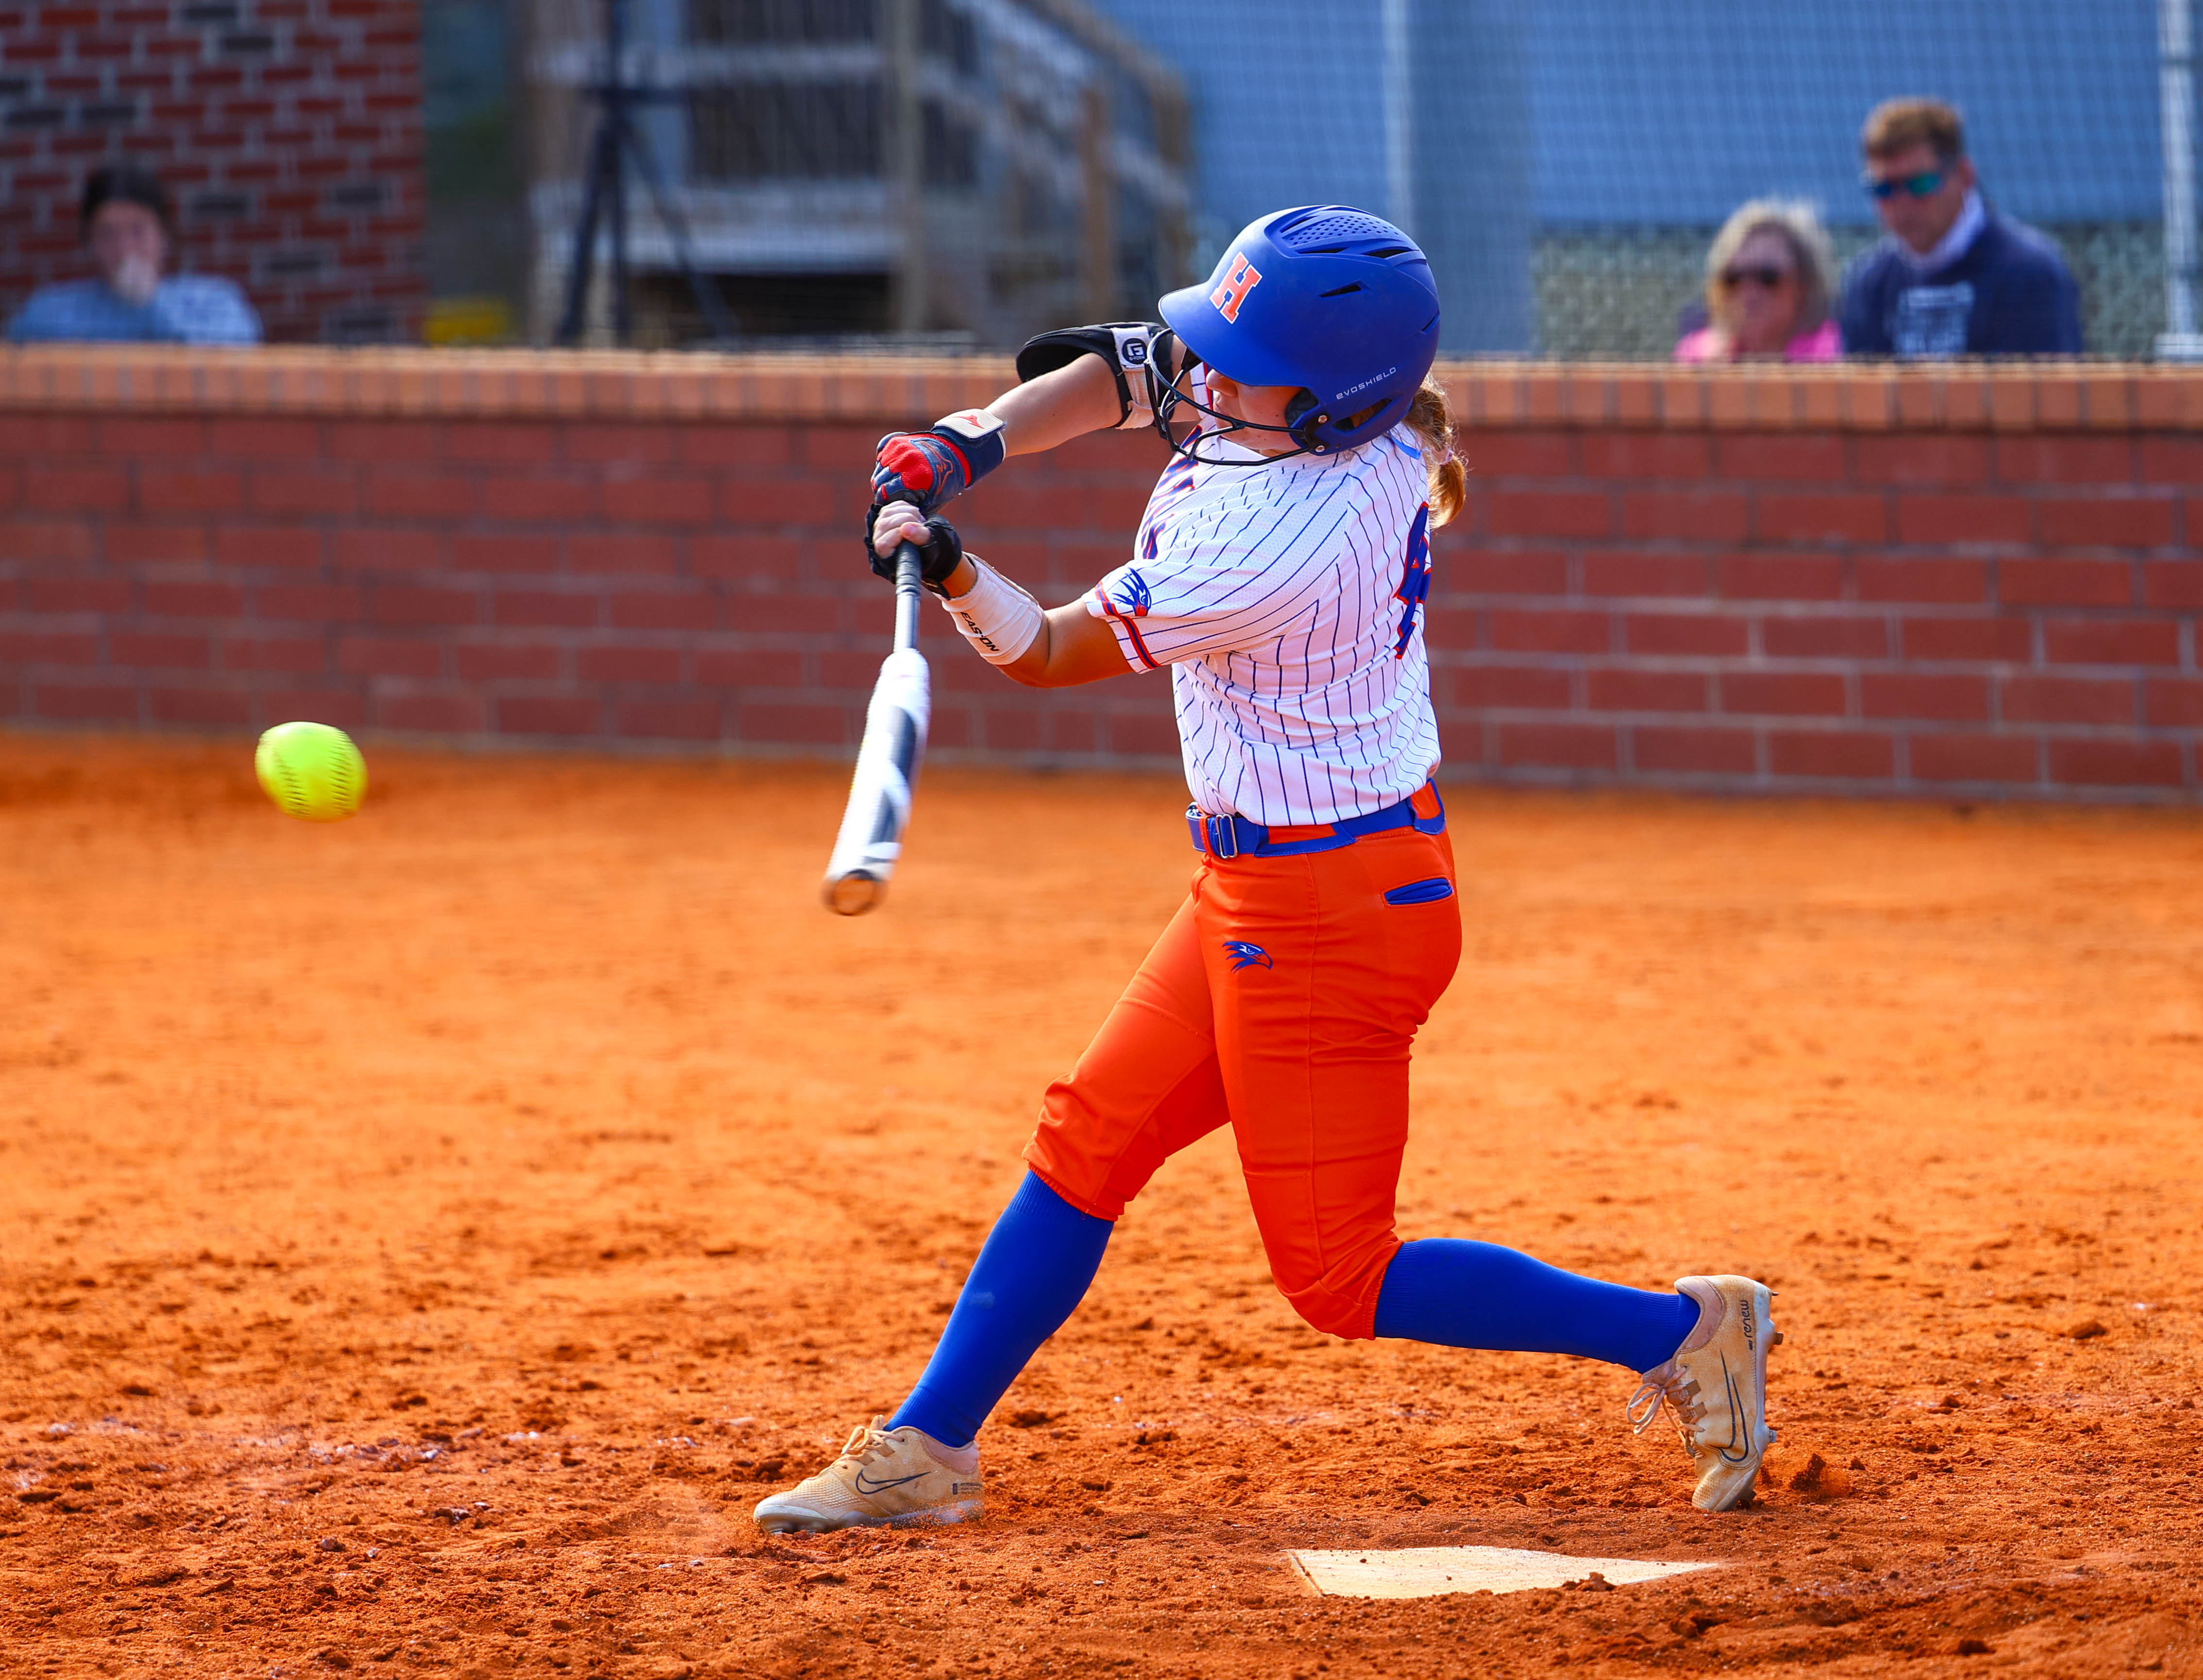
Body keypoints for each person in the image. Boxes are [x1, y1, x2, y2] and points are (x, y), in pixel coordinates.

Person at [751, 205, 1780, 1537]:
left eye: (1246, 368)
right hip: (1270, 885)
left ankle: (1683, 1332)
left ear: (1331, 400)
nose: (1206, 379)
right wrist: (965, 444)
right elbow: (1124, 372)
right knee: (1087, 1139)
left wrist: (948, 566)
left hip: (1330, 919)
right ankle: (928, 1447)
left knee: (1337, 1276)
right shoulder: (1344, 422)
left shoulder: (1269, 547)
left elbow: (1045, 650)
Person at [1837, 98, 2080, 358]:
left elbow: (2043, 384)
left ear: (1964, 176)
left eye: (1920, 185)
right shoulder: (1868, 284)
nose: (1902, 204)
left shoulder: (2029, 275)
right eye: (1883, 189)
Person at [5, 162, 261, 346]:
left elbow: (237, 359)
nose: (125, 249)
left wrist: (152, 304)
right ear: (90, 242)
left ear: (165, 235)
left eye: (138, 231)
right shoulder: (52, 311)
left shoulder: (214, 303)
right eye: (108, 233)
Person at [1676, 200, 1841, 362]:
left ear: (1804, 286)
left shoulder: (1837, 356)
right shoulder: (1696, 359)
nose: (1748, 291)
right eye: (1733, 278)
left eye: (1767, 277)